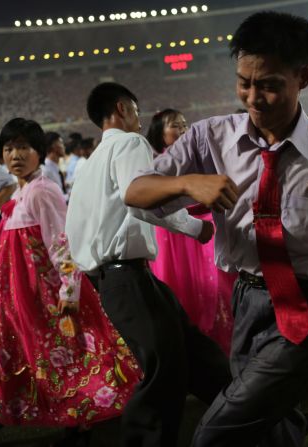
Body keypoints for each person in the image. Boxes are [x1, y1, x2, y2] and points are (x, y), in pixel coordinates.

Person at [125, 11, 308, 446]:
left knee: (216, 432)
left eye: (268, 84)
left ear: (302, 77)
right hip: (245, 301)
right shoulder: (210, 137)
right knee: (267, 426)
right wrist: (187, 182)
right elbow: (136, 191)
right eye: (243, 82)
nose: (252, 96)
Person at [65, 82, 231, 447]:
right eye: (137, 112)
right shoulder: (129, 143)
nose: (140, 122)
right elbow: (141, 198)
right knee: (164, 369)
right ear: (123, 108)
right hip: (126, 276)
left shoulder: (89, 163)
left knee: (198, 356)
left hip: (118, 277)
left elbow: (75, 226)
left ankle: (269, 420)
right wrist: (197, 227)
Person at [0, 118, 140, 445]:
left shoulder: (44, 191)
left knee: (64, 359)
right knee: (19, 357)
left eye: (24, 147)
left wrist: (69, 291)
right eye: (9, 148)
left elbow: (61, 244)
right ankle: (3, 414)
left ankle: (79, 422)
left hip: (45, 298)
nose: (15, 155)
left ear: (39, 152)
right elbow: (7, 247)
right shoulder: (20, 191)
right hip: (15, 298)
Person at [146, 108, 237, 353]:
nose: (182, 129)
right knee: (184, 288)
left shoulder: (200, 156)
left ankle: (223, 344)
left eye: (184, 124)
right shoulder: (159, 166)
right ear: (160, 132)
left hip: (208, 228)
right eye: (175, 125)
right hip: (175, 235)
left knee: (217, 288)